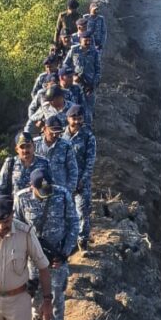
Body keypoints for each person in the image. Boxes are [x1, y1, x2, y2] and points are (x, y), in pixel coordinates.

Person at [15, 170, 78, 320]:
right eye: (41, 190)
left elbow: (73, 223)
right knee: (35, 292)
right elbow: (16, 228)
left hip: (57, 257)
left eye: (48, 188)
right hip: (32, 258)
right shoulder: (21, 198)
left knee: (56, 295)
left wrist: (65, 253)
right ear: (31, 186)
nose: (46, 192)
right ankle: (36, 316)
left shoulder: (62, 194)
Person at [63, 106, 96, 250]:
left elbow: (90, 162)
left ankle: (82, 242)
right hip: (64, 183)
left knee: (82, 212)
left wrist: (81, 182)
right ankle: (66, 243)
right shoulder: (61, 136)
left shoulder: (88, 137)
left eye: (80, 118)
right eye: (74, 118)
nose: (77, 121)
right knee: (63, 213)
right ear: (68, 118)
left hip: (82, 184)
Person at [0, 132, 51, 201]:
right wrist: (3, 207)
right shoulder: (10, 163)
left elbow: (52, 185)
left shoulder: (44, 163)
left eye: (28, 146)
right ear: (17, 149)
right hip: (16, 208)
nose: (25, 150)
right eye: (22, 147)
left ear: (34, 146)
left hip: (39, 208)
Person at [33, 113, 78, 196]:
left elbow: (73, 170)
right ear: (45, 129)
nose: (55, 135)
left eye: (57, 133)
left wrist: (69, 191)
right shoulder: (34, 144)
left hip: (59, 191)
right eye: (52, 132)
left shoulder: (66, 146)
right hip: (38, 191)